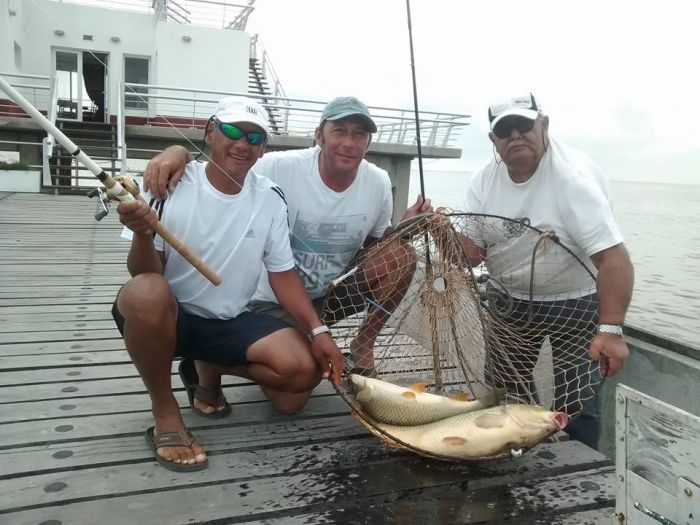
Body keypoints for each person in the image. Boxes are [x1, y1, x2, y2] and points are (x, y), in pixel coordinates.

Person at [113, 96, 343, 472]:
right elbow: (142, 272)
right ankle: (165, 411)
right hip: (171, 317)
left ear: (263, 148)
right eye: (232, 131)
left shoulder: (269, 197)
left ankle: (208, 365)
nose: (242, 144)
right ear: (209, 132)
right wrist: (141, 234)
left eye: (254, 138)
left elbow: (282, 273)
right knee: (146, 292)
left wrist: (319, 331)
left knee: (301, 378)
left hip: (230, 319)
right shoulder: (167, 182)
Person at [144, 96, 432, 390]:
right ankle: (210, 361)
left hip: (332, 294)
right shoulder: (278, 167)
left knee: (402, 256)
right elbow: (225, 163)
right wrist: (177, 152)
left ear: (369, 143)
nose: (349, 142)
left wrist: (403, 231)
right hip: (276, 300)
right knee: (293, 395)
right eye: (339, 131)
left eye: (359, 134)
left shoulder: (379, 182)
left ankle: (363, 344)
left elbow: (374, 248)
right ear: (319, 135)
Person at [452, 93, 634, 449]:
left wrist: (610, 330)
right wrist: (442, 233)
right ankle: (519, 456)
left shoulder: (573, 179)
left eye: (524, 125)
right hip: (509, 301)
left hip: (575, 304)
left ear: (544, 125)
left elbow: (614, 260)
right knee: (507, 389)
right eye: (504, 130)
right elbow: (470, 255)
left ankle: (577, 475)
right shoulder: (483, 183)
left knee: (577, 401)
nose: (515, 136)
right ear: (493, 141)